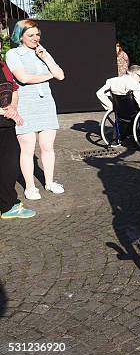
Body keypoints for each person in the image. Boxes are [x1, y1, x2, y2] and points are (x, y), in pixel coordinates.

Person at [6, 19, 65, 201]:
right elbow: (23, 78)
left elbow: (61, 75)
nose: (35, 38)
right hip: (25, 104)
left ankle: (49, 182)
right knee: (27, 149)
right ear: (20, 36)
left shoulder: (43, 52)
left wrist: (45, 57)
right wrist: (49, 75)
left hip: (46, 103)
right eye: (30, 35)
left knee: (48, 147)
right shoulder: (13, 53)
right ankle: (30, 187)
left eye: (37, 34)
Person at [1, 41, 36, 219]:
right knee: (6, 167)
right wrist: (4, 111)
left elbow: (14, 89)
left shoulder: (3, 66)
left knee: (9, 165)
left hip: (7, 124)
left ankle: (7, 202)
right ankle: (7, 207)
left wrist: (13, 108)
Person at [96, 64, 140, 143]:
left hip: (120, 113)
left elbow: (99, 93)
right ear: (133, 73)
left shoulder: (112, 81)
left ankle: (119, 134)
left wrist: (111, 107)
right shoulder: (135, 84)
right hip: (133, 113)